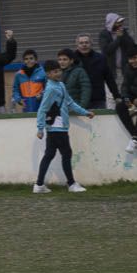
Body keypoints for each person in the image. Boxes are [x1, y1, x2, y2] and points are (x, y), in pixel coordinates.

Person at [33, 60, 95, 194]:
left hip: (57, 127)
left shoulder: (60, 85)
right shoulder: (50, 89)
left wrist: (85, 112)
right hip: (57, 126)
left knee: (49, 154)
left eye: (59, 70)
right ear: (48, 74)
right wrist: (39, 128)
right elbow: (42, 109)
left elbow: (70, 102)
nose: (58, 73)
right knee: (66, 153)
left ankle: (39, 185)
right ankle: (71, 184)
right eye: (54, 72)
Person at [73, 34, 118, 110]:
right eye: (81, 43)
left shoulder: (101, 58)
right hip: (78, 100)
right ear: (77, 45)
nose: (84, 45)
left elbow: (109, 79)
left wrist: (116, 95)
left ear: (91, 44)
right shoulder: (71, 60)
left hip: (98, 100)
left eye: (87, 42)